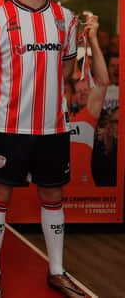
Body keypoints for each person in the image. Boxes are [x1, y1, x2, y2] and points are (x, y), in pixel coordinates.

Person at [0, 0, 87, 298]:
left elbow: (67, 68)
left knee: (53, 195)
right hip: (10, 128)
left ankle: (56, 271)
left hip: (53, 127)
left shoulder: (65, 19)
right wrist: (9, 101)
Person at [65, 15, 109, 188]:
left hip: (84, 197)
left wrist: (93, 39)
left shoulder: (84, 118)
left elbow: (103, 83)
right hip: (47, 200)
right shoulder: (42, 122)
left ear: (72, 96)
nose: (62, 95)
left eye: (66, 91)